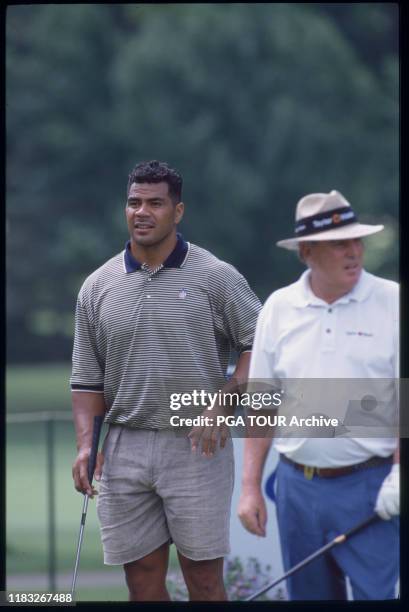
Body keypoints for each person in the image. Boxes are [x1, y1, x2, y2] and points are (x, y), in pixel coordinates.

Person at [70, 160, 261, 601]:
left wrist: (224, 401)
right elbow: (86, 381)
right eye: (134, 203)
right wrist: (85, 445)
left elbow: (260, 344)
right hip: (124, 446)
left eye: (155, 203)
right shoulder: (97, 286)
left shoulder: (217, 277)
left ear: (177, 212)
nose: (142, 212)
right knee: (140, 580)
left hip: (197, 444)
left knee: (204, 578)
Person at [238, 190, 399, 600]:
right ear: (307, 252)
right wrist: (251, 487)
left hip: (373, 486)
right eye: (339, 243)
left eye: (356, 241)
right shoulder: (278, 307)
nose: (354, 252)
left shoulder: (393, 302)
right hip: (296, 490)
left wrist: (401, 475)